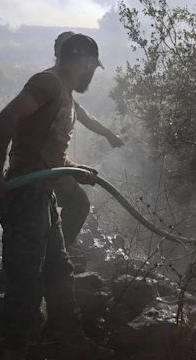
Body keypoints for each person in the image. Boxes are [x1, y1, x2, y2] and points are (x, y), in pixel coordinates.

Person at [0, 34, 114, 359]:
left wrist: (75, 170)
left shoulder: (66, 95)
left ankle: (73, 343)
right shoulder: (47, 83)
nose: (91, 74)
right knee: (26, 282)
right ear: (81, 62)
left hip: (43, 197)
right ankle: (15, 350)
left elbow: (50, 155)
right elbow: (8, 117)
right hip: (25, 194)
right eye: (91, 67)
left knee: (58, 272)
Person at [53, 31, 124, 247]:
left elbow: (83, 115)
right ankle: (56, 250)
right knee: (78, 203)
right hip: (42, 169)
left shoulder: (62, 85)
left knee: (76, 203)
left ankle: (56, 249)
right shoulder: (51, 84)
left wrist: (108, 134)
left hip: (51, 166)